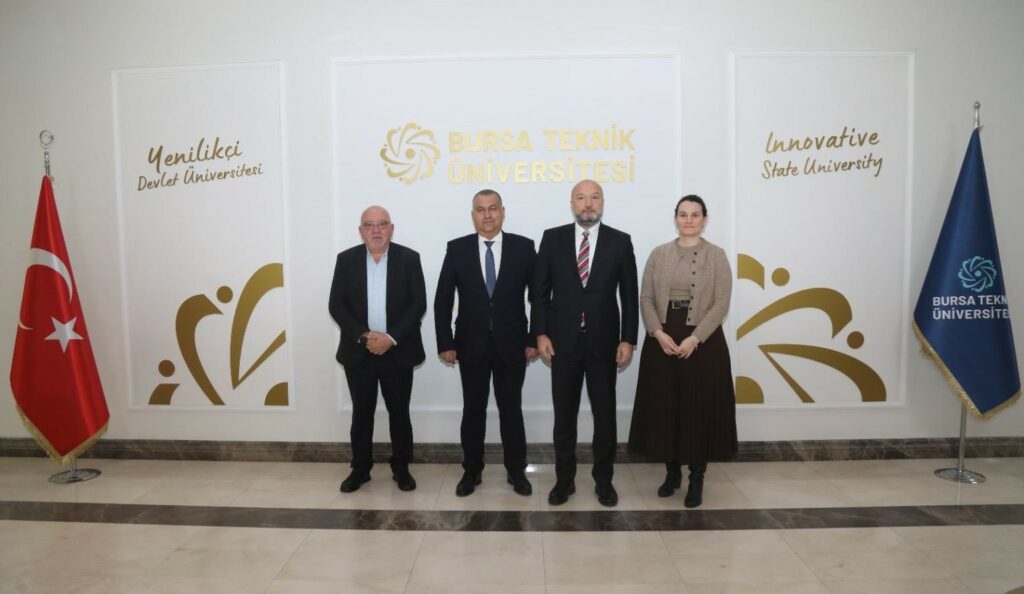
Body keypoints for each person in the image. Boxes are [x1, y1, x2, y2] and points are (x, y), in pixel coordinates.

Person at [532, 179, 639, 507]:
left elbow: (629, 295)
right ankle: (564, 481)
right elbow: (539, 292)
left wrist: (628, 339)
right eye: (581, 198)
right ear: (572, 204)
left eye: (594, 197)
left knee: (605, 418)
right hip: (561, 344)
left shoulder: (620, 241)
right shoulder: (552, 238)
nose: (588, 204)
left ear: (602, 202)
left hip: (604, 344)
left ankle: (604, 481)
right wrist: (540, 333)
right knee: (564, 418)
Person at [628, 195, 737, 508]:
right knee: (666, 407)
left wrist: (695, 338)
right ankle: (672, 472)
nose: (689, 220)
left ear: (705, 219)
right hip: (663, 337)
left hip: (704, 341)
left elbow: (721, 302)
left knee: (698, 410)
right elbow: (646, 297)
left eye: (695, 215)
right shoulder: (658, 254)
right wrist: (656, 332)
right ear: (675, 218)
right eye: (683, 214)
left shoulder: (717, 256)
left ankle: (696, 477)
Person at [434, 189, 537, 497]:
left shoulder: (523, 247)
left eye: (493, 208)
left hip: (513, 345)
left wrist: (533, 338)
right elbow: (442, 300)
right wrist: (445, 342)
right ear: (473, 215)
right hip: (470, 344)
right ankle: (471, 471)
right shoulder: (457, 248)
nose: (487, 214)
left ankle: (516, 471)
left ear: (503, 212)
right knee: (473, 411)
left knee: (511, 410)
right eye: (481, 209)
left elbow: (540, 297)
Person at [329, 205, 426, 493]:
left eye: (382, 224)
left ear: (391, 229)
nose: (376, 230)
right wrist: (363, 336)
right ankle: (360, 469)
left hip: (398, 350)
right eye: (369, 225)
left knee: (399, 413)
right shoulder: (346, 260)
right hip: (358, 352)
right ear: (361, 231)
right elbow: (336, 304)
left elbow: (418, 304)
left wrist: (390, 338)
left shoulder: (409, 259)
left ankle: (401, 468)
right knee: (362, 413)